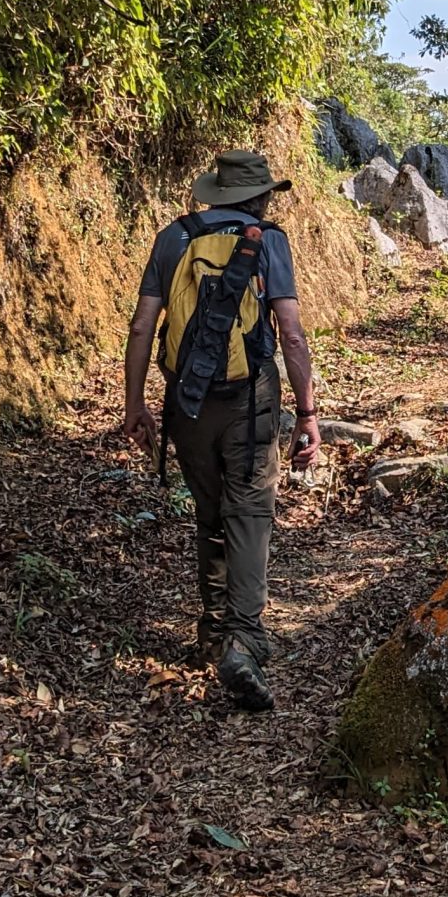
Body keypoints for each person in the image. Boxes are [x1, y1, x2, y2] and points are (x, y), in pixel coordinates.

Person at [120, 149, 321, 713]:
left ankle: (212, 630)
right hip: (250, 398)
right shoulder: (268, 241)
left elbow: (142, 327)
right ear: (257, 198)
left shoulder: (172, 239)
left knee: (210, 508)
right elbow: (292, 334)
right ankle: (244, 637)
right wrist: (307, 414)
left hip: (187, 400)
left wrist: (135, 404)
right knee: (250, 510)